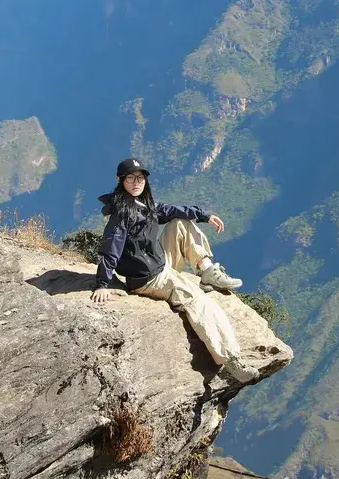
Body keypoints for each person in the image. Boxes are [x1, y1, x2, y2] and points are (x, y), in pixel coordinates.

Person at [90, 157, 256, 383]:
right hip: (149, 279)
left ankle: (206, 269)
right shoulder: (123, 213)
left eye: (140, 177)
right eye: (130, 178)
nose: (136, 182)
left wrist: (204, 215)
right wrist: (102, 283)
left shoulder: (142, 204)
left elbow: (168, 210)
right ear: (120, 181)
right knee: (201, 302)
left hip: (158, 263)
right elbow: (111, 247)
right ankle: (230, 360)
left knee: (180, 223)